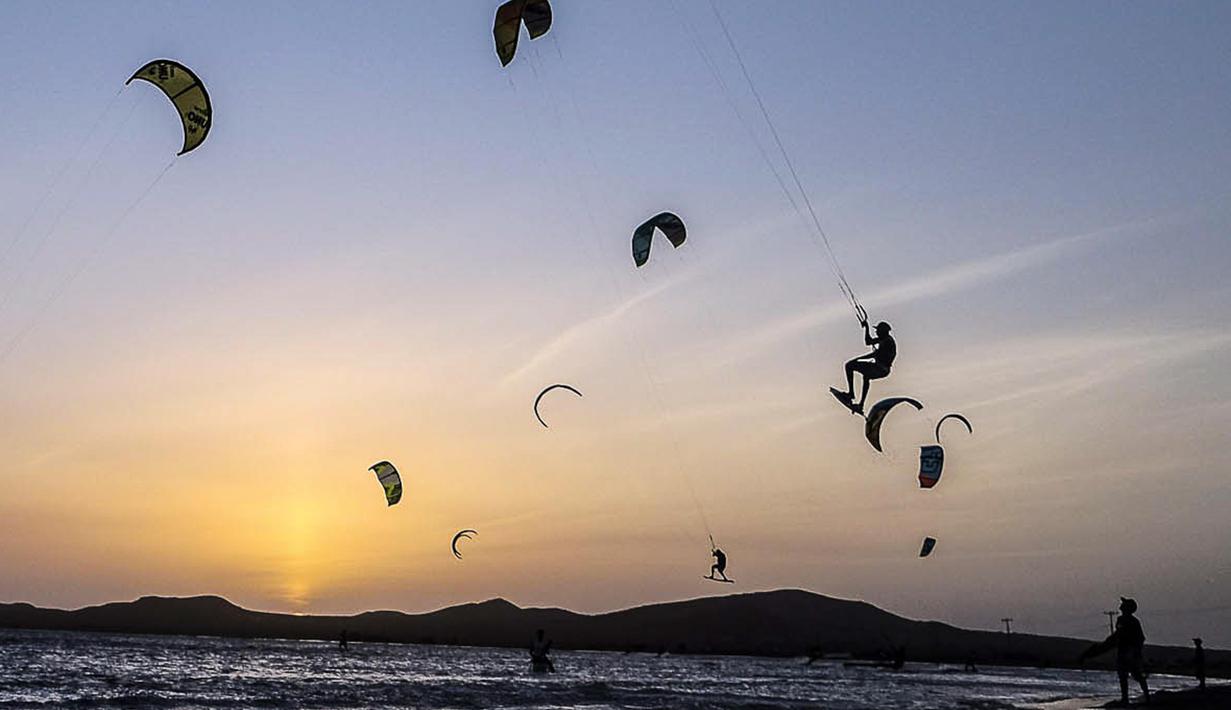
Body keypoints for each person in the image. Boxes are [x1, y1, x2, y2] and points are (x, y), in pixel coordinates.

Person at [1080, 597, 1149, 706]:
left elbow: (1134, 637)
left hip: (1128, 651)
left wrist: (1135, 651)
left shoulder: (1127, 621)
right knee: (1130, 674)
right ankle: (1138, 698)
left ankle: (1132, 699)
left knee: (1131, 674)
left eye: (1123, 604)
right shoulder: (1128, 620)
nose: (1120, 605)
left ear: (1127, 608)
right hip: (1126, 650)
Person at [834, 319, 896, 414]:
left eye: (877, 330)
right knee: (866, 376)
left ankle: (852, 395)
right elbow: (868, 342)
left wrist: (857, 359)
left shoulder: (887, 341)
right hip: (880, 368)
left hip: (881, 369)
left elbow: (875, 354)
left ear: (883, 331)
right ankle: (859, 403)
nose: (876, 332)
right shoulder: (883, 339)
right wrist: (866, 327)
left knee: (850, 365)